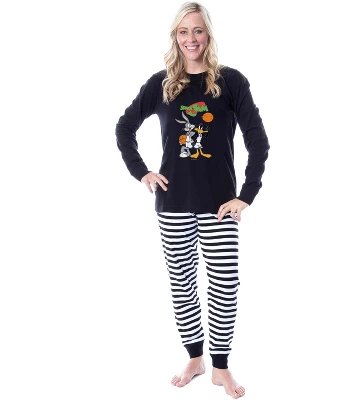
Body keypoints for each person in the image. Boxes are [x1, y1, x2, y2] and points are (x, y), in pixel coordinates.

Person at [115, 2, 270, 398]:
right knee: (182, 284)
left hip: (220, 205)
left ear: (208, 34)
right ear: (175, 37)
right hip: (173, 204)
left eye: (197, 30)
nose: (190, 39)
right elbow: (124, 127)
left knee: (224, 285)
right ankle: (195, 357)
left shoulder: (231, 82)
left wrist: (246, 196)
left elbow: (258, 141)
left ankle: (220, 366)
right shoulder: (162, 84)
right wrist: (143, 172)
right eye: (183, 32)